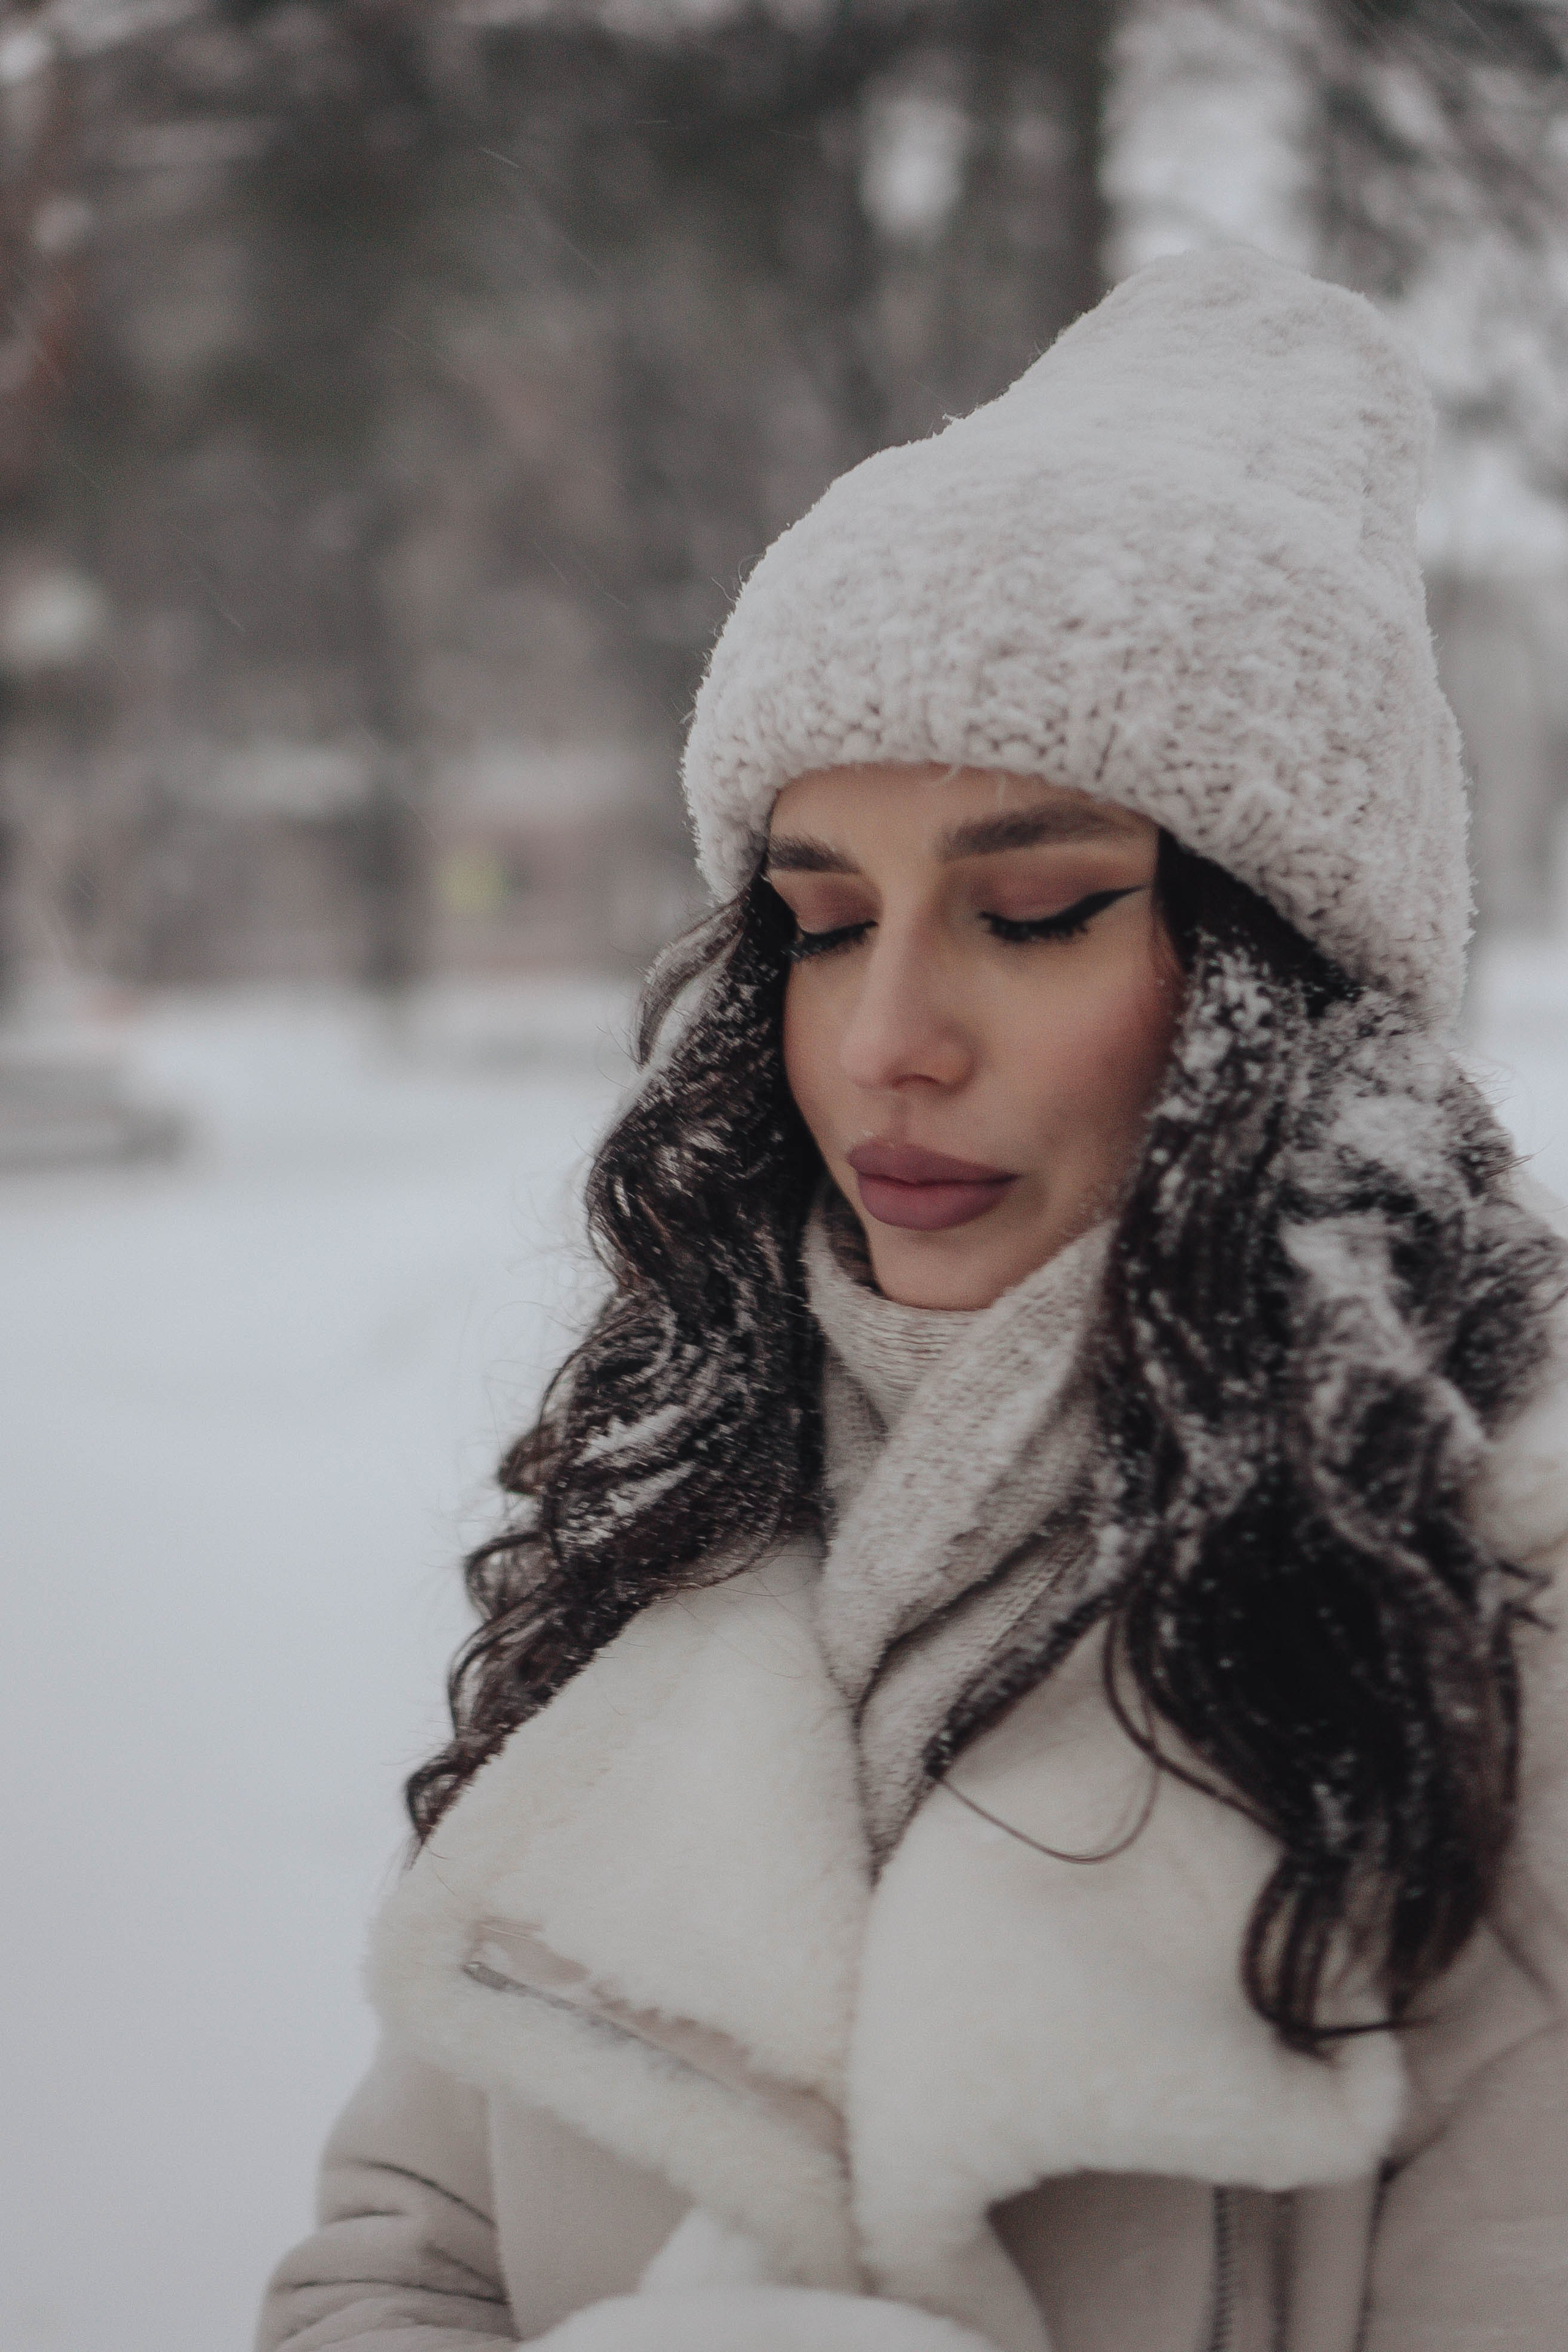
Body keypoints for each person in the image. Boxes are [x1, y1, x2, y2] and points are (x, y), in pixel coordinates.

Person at [258, 249, 1568, 2352]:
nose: (882, 1043)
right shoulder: (693, 1504)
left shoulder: (1498, 1616)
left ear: (1281, 989)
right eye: (816, 921)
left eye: (1033, 914)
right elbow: (397, 2253)